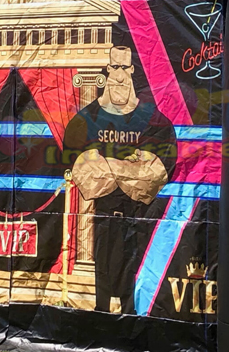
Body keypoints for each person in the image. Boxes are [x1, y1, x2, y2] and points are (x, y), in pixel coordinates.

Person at [63, 46, 176, 313]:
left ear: (132, 70)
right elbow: (83, 172)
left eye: (124, 68)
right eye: (114, 67)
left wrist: (105, 164)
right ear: (107, 70)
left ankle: (131, 314)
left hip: (138, 215)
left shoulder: (152, 119)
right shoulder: (86, 118)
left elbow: (155, 175)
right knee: (102, 265)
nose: (120, 75)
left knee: (134, 267)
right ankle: (101, 315)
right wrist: (131, 167)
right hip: (101, 213)